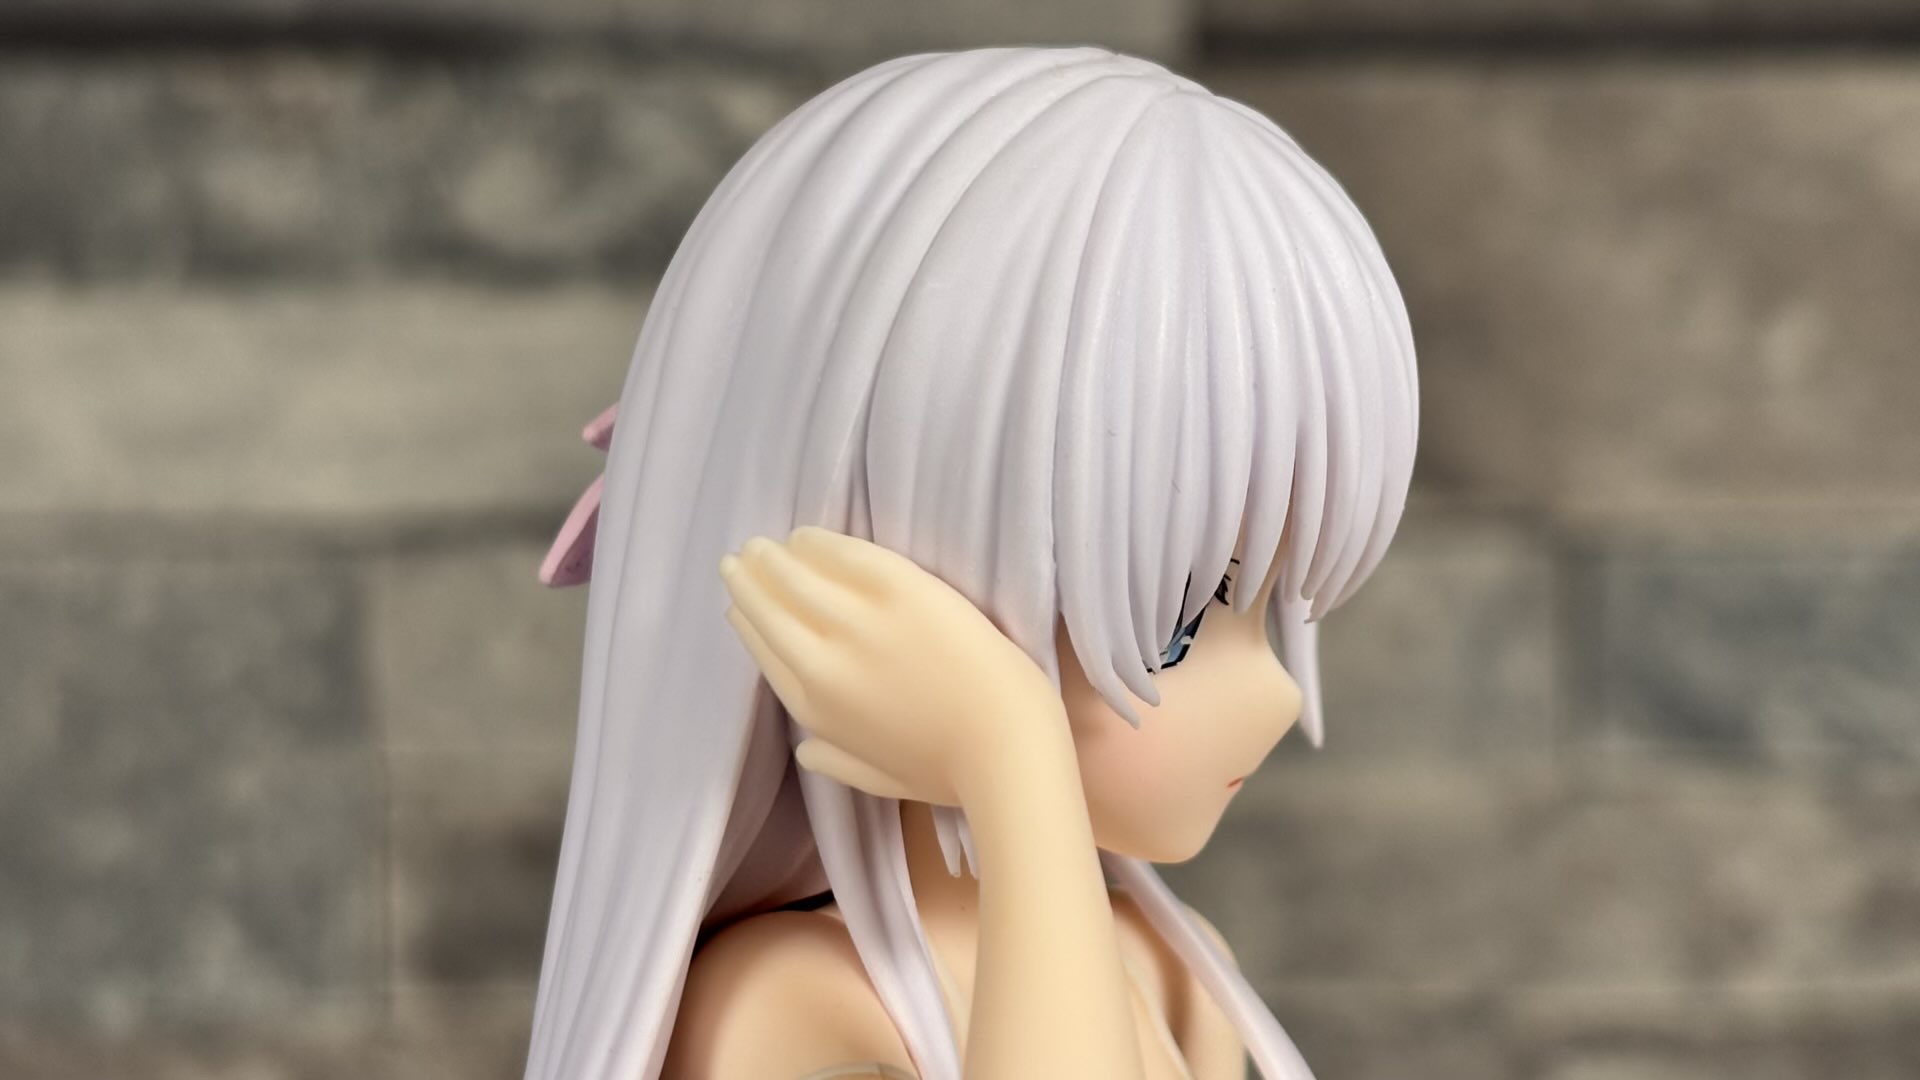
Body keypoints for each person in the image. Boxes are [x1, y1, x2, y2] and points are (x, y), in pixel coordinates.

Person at [522, 45, 1418, 1080]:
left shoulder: (1176, 972)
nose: (1276, 696)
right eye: (1177, 627)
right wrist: (1008, 751)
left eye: (1271, 604)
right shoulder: (786, 1008)